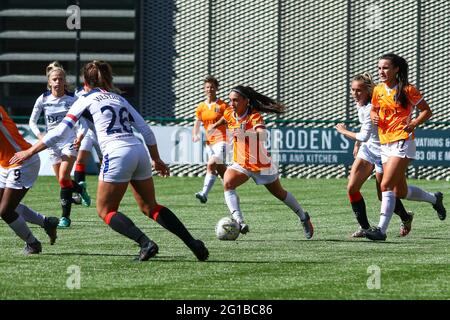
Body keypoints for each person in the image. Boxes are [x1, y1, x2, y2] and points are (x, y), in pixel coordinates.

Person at [11, 60, 209, 261]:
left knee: (105, 210)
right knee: (151, 207)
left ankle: (145, 243)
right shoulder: (118, 98)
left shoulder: (84, 99)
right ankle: (193, 244)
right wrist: (156, 158)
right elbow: (146, 130)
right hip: (138, 149)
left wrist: (30, 151)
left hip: (116, 153)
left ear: (85, 81)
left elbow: (60, 132)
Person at [209, 85, 314, 239]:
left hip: (261, 164)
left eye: (236, 100)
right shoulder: (230, 112)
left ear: (246, 101)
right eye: (230, 100)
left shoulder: (254, 116)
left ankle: (303, 217)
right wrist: (215, 125)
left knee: (280, 194)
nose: (232, 103)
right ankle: (239, 222)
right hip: (241, 163)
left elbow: (262, 135)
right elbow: (226, 118)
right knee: (228, 183)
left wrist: (244, 133)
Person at [365, 53, 446, 241]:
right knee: (400, 191)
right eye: (379, 68)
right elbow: (374, 109)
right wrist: (372, 116)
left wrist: (414, 122)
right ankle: (434, 199)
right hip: (385, 143)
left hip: (403, 140)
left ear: (396, 70)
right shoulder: (378, 90)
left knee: (385, 184)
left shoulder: (408, 90)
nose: (381, 71)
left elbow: (427, 111)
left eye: (385, 68)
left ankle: (381, 230)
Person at [335, 72, 414, 238]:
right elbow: (365, 134)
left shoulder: (372, 106)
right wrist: (358, 144)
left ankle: (406, 217)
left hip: (384, 152)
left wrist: (343, 131)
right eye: (353, 90)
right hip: (369, 150)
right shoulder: (361, 105)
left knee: (384, 194)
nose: (355, 94)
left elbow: (363, 135)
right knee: (351, 188)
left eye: (359, 91)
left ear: (367, 91)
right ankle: (365, 228)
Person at [29, 61, 91, 229]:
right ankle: (79, 189)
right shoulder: (43, 99)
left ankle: (65, 218)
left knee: (64, 176)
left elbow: (83, 122)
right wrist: (41, 136)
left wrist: (80, 135)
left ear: (65, 81)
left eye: (60, 79)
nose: (57, 82)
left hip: (69, 142)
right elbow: (32, 122)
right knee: (63, 182)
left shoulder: (73, 99)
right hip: (52, 145)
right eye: (54, 79)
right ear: (49, 82)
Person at [0, 106, 59, 254]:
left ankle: (33, 244)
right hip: (5, 163)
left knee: (6, 211)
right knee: (5, 205)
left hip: (23, 161)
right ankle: (46, 222)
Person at [192, 76, 229, 204]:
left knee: (211, 164)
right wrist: (195, 134)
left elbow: (229, 119)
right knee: (220, 170)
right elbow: (197, 122)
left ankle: (204, 193)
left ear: (217, 88)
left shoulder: (223, 105)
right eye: (207, 87)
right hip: (209, 143)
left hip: (222, 140)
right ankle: (231, 189)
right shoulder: (201, 106)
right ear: (204, 89)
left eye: (212, 87)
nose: (210, 89)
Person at [72, 84, 101, 205]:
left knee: (104, 162)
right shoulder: (77, 93)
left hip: (100, 131)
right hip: (86, 131)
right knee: (80, 160)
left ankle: (104, 193)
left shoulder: (101, 92)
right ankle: (79, 194)